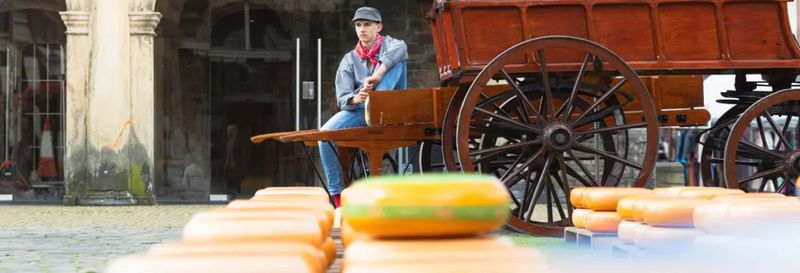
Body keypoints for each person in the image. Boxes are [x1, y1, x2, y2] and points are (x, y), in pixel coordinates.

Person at [319, 6, 408, 207]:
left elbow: (401, 49)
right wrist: (356, 99)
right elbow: (342, 99)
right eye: (358, 25)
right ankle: (337, 196)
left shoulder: (393, 45)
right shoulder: (349, 60)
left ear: (379, 27)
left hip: (393, 105)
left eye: (367, 24)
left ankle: (376, 102)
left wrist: (378, 74)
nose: (362, 29)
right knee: (324, 135)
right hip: (361, 110)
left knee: (397, 60)